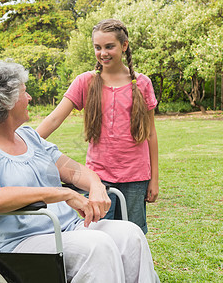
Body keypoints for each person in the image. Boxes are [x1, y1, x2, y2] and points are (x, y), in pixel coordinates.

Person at [0, 60, 159, 283]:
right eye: (25, 92)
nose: (30, 98)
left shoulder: (29, 137)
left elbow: (73, 171)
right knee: (97, 247)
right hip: (17, 242)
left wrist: (96, 185)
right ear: (7, 102)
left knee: (130, 235)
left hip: (66, 227)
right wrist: (64, 194)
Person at [36, 19, 159, 234]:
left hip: (136, 177)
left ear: (124, 46)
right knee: (98, 234)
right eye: (98, 47)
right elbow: (55, 119)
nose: (103, 53)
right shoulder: (85, 81)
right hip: (98, 178)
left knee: (133, 235)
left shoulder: (142, 83)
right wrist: (27, 142)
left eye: (109, 46)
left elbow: (150, 134)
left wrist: (154, 179)